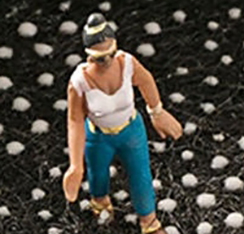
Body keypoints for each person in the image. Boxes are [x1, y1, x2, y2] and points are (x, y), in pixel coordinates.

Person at [62, 13, 183, 233]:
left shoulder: (127, 63)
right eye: (100, 58)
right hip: (98, 136)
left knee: (141, 175)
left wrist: (157, 111)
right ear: (89, 56)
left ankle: (149, 221)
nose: (107, 61)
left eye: (110, 54)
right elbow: (75, 121)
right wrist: (75, 164)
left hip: (131, 131)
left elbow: (146, 80)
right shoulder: (79, 82)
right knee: (97, 174)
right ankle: (100, 203)